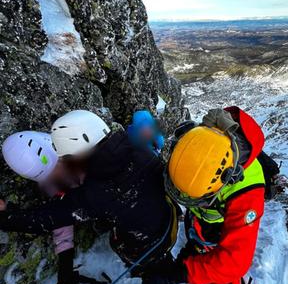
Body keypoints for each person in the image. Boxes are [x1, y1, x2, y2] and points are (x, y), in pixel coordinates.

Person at [141, 107, 268, 284]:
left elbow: (234, 263)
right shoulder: (200, 143)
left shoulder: (247, 194)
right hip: (205, 224)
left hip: (221, 228)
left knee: (225, 277)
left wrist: (180, 273)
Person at [0, 110, 178, 275]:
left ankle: (148, 271)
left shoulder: (97, 194)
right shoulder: (138, 146)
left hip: (144, 249)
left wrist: (6, 216)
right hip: (171, 220)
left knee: (126, 246)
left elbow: (47, 218)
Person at [0, 130, 105, 284]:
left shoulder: (93, 160)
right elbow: (60, 216)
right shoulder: (54, 183)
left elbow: (63, 212)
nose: (54, 179)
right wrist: (65, 266)